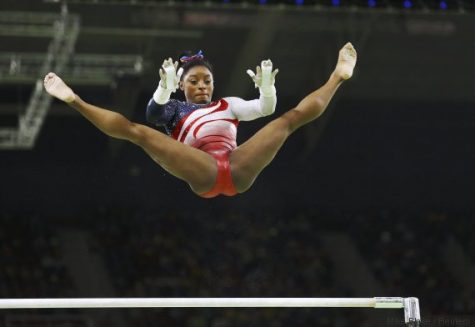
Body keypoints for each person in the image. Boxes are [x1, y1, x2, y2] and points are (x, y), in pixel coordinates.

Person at [43, 42, 357, 198]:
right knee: (135, 131)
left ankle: (338, 77)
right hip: (203, 171)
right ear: (182, 86)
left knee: (291, 119)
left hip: (237, 166)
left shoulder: (229, 104)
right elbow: (152, 114)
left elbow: (265, 110)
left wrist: (267, 89)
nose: (201, 85)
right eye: (193, 81)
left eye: (206, 80)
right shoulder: (174, 110)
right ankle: (75, 100)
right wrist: (164, 87)